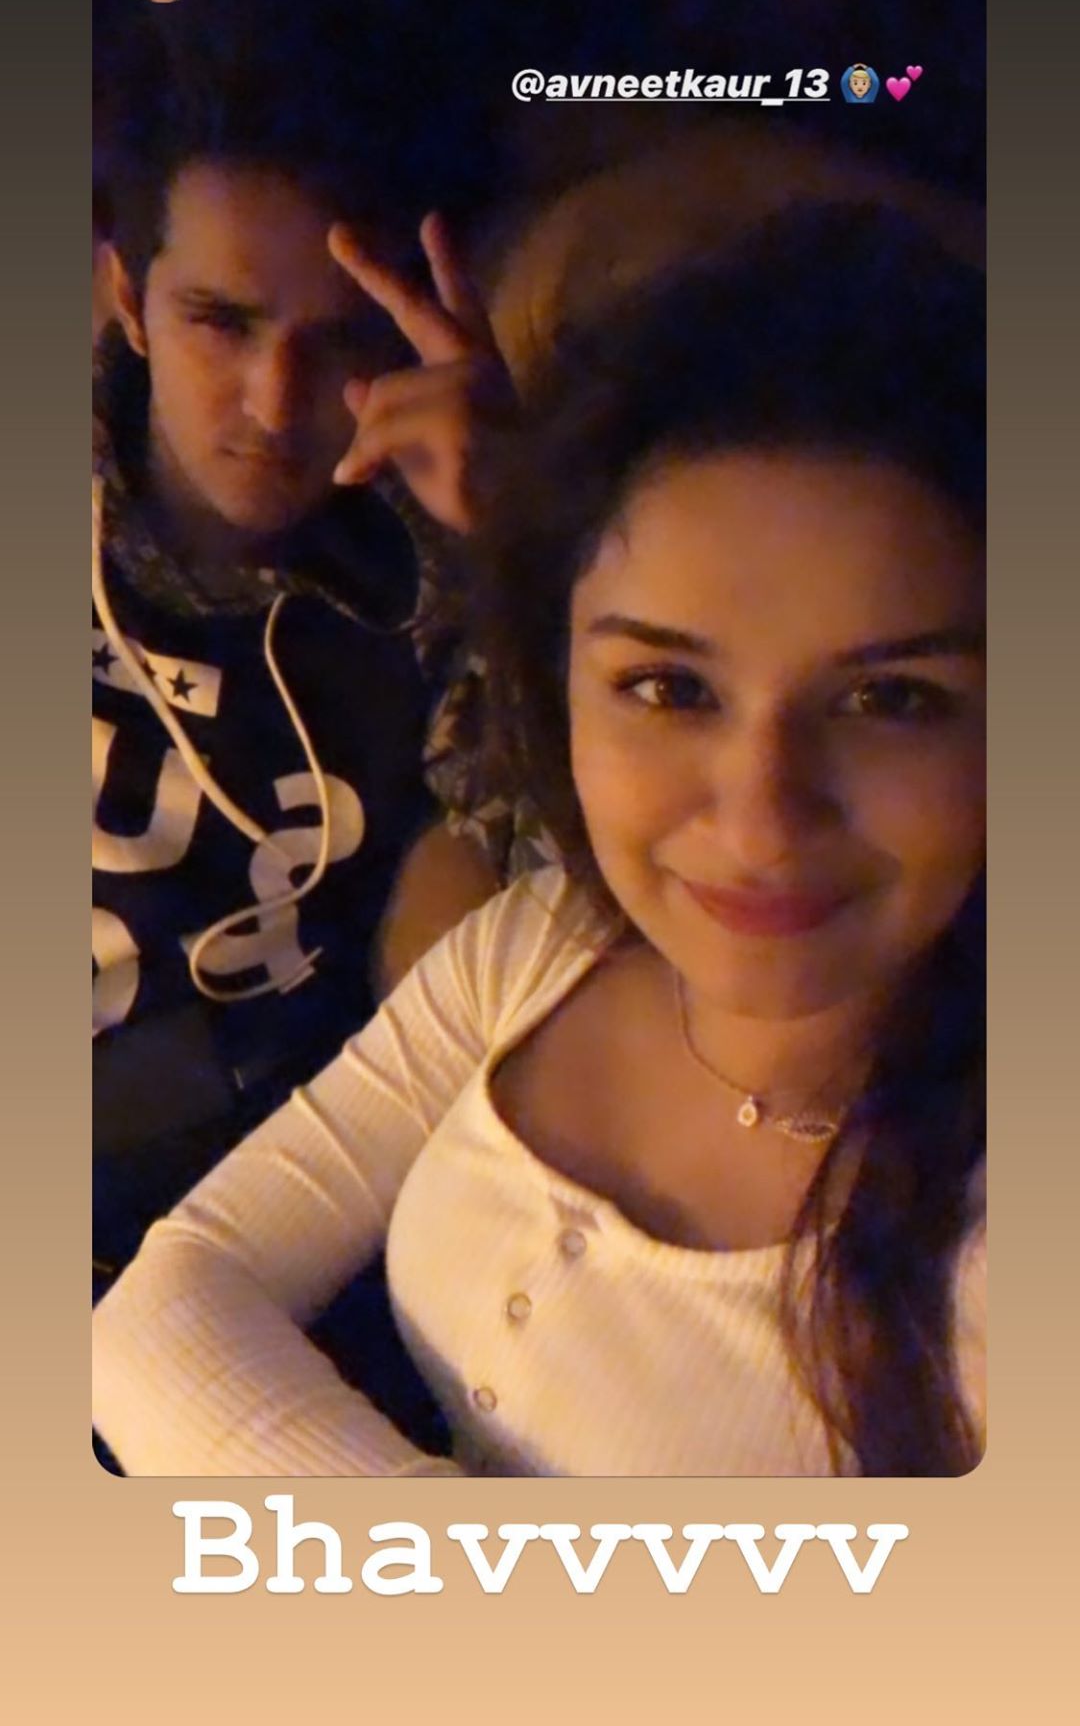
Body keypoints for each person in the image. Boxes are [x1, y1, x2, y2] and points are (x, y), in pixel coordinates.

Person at [93, 201, 986, 1478]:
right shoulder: (548, 940)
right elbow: (161, 1313)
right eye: (668, 688)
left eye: (890, 700)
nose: (759, 818)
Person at [93, 79, 505, 1317]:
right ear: (128, 302)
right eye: (220, 322)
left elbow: (546, 891)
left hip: (242, 1199)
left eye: (340, 344)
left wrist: (523, 545)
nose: (275, 406)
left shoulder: (435, 584)